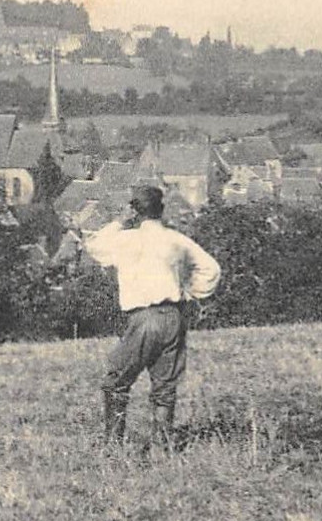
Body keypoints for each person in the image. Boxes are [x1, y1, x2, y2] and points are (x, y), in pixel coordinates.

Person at [83, 185, 221, 448]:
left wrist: (118, 222)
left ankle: (113, 446)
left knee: (116, 382)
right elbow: (211, 269)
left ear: (135, 211)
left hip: (144, 318)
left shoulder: (127, 239)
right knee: (165, 387)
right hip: (174, 316)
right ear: (162, 209)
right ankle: (163, 446)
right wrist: (190, 292)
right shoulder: (176, 239)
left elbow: (93, 245)